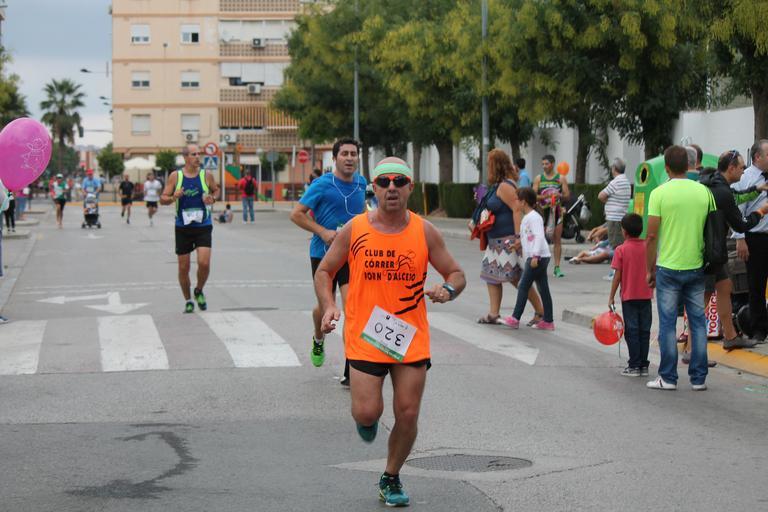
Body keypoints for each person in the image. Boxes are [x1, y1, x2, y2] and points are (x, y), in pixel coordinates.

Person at [315, 157, 465, 507]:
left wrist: (448, 290)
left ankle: (391, 476)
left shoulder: (424, 231)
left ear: (410, 187)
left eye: (399, 181)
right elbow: (325, 270)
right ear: (375, 189)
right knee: (367, 413)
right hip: (366, 336)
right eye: (384, 182)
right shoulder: (355, 229)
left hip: (410, 336)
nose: (392, 188)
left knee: (408, 412)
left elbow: (457, 274)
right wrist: (330, 305)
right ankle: (367, 420)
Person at [290, 138, 366, 385]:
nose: (349, 158)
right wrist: (322, 231)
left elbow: (365, 215)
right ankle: (318, 338)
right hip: (323, 254)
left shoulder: (362, 183)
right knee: (325, 308)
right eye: (344, 154)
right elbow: (296, 214)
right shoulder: (322, 184)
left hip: (351, 255)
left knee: (352, 308)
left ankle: (351, 368)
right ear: (334, 158)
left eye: (353, 154)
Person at [645, 145, 711, 391]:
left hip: (668, 267)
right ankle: (699, 378)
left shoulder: (659, 194)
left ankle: (668, 377)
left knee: (667, 324)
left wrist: (649, 269)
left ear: (667, 167)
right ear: (689, 165)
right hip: (696, 265)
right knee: (697, 323)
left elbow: (651, 236)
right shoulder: (703, 192)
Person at [699, 153, 768, 350]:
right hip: (707, 251)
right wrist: (761, 211)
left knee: (725, 287)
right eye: (741, 167)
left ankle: (730, 336)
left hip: (714, 250)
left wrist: (756, 189)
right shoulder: (721, 191)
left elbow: (736, 196)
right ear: (731, 168)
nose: (743, 171)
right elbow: (741, 224)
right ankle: (691, 345)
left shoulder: (717, 185)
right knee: (704, 296)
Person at [477, 149, 543, 325]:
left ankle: (540, 311)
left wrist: (518, 237)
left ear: (495, 165)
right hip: (495, 241)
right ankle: (493, 313)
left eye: (489, 164)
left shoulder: (505, 186)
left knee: (516, 278)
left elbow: (517, 209)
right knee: (491, 276)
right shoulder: (499, 185)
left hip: (506, 240)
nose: (487, 167)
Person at [159, 144, 219, 313]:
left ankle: (199, 290)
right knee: (183, 268)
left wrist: (212, 199)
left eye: (199, 154)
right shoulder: (175, 176)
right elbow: (162, 199)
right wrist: (173, 197)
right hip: (183, 227)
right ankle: (188, 300)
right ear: (185, 157)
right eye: (194, 154)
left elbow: (216, 190)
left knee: (204, 263)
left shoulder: (206, 175)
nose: (198, 157)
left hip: (203, 225)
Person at [608, 213, 653, 376]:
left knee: (632, 331)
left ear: (624, 231)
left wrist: (611, 296)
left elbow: (617, 276)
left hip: (629, 297)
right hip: (646, 296)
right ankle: (643, 365)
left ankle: (634, 365)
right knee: (644, 331)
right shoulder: (648, 248)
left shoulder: (621, 249)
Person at [732, 139, 768, 343]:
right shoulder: (745, 179)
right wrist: (740, 238)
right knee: (756, 284)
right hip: (755, 237)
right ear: (757, 157)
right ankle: (758, 329)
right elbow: (738, 210)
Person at [504, 187, 554, 330]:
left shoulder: (534, 217)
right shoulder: (528, 217)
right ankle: (548, 321)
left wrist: (535, 256)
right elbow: (528, 236)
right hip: (539, 256)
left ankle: (515, 318)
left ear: (523, 202)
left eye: (517, 200)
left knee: (523, 285)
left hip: (537, 257)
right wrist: (517, 245)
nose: (515, 203)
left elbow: (539, 236)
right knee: (543, 288)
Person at [533, 154, 570, 278]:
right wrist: (544, 197)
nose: (544, 166)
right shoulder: (539, 178)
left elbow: (567, 195)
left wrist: (560, 195)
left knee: (557, 239)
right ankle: (538, 266)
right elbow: (532, 195)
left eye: (546, 164)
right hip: (542, 212)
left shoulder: (561, 178)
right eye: (543, 164)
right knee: (540, 239)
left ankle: (557, 267)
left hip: (556, 212)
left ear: (553, 164)